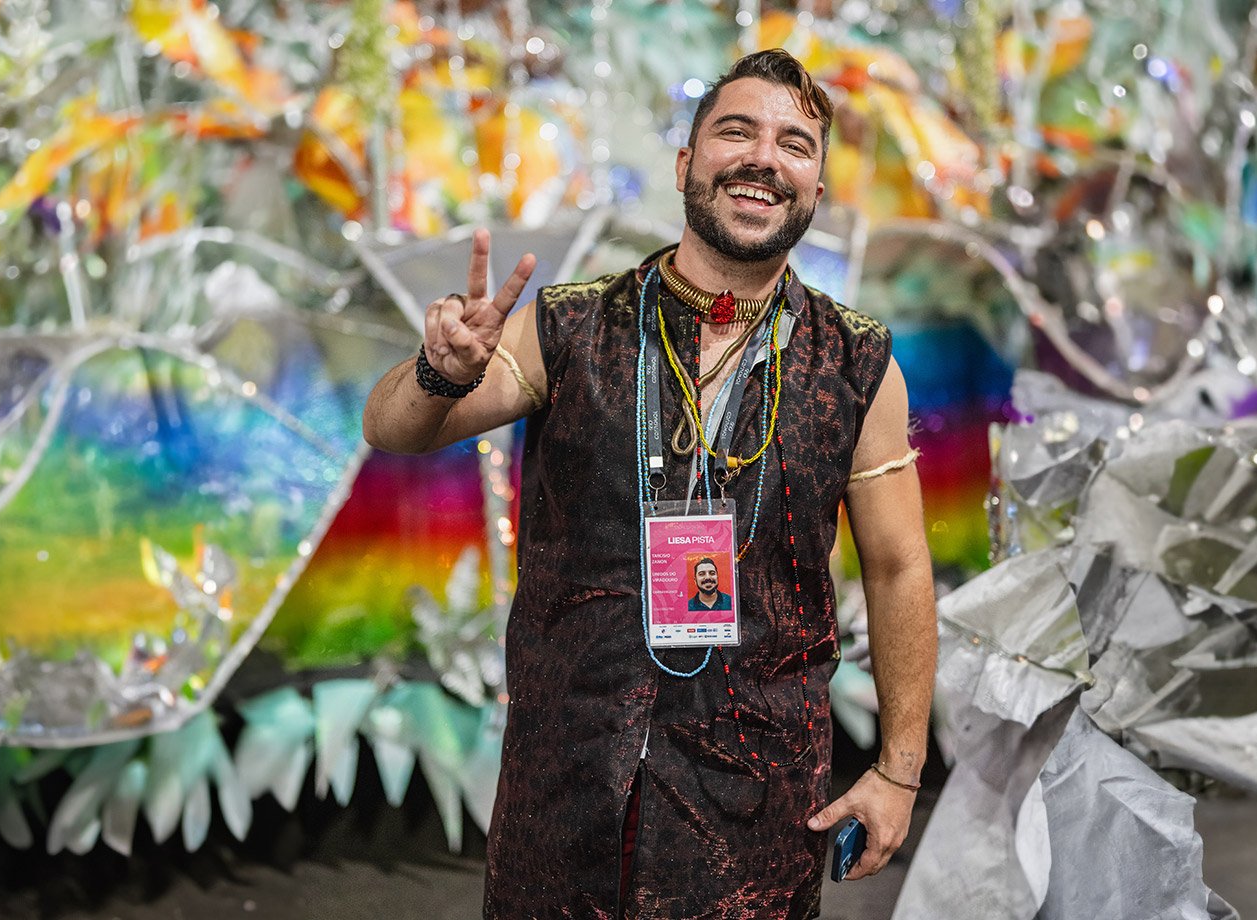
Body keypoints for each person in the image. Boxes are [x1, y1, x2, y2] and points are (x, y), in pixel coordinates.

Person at [363, 48, 937, 920]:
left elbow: (898, 568)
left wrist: (899, 768)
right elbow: (393, 429)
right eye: (735, 132)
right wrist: (439, 372)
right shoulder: (570, 327)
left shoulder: (857, 363)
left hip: (752, 810)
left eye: (795, 144)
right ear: (686, 163)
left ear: (816, 185)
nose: (762, 159)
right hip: (566, 791)